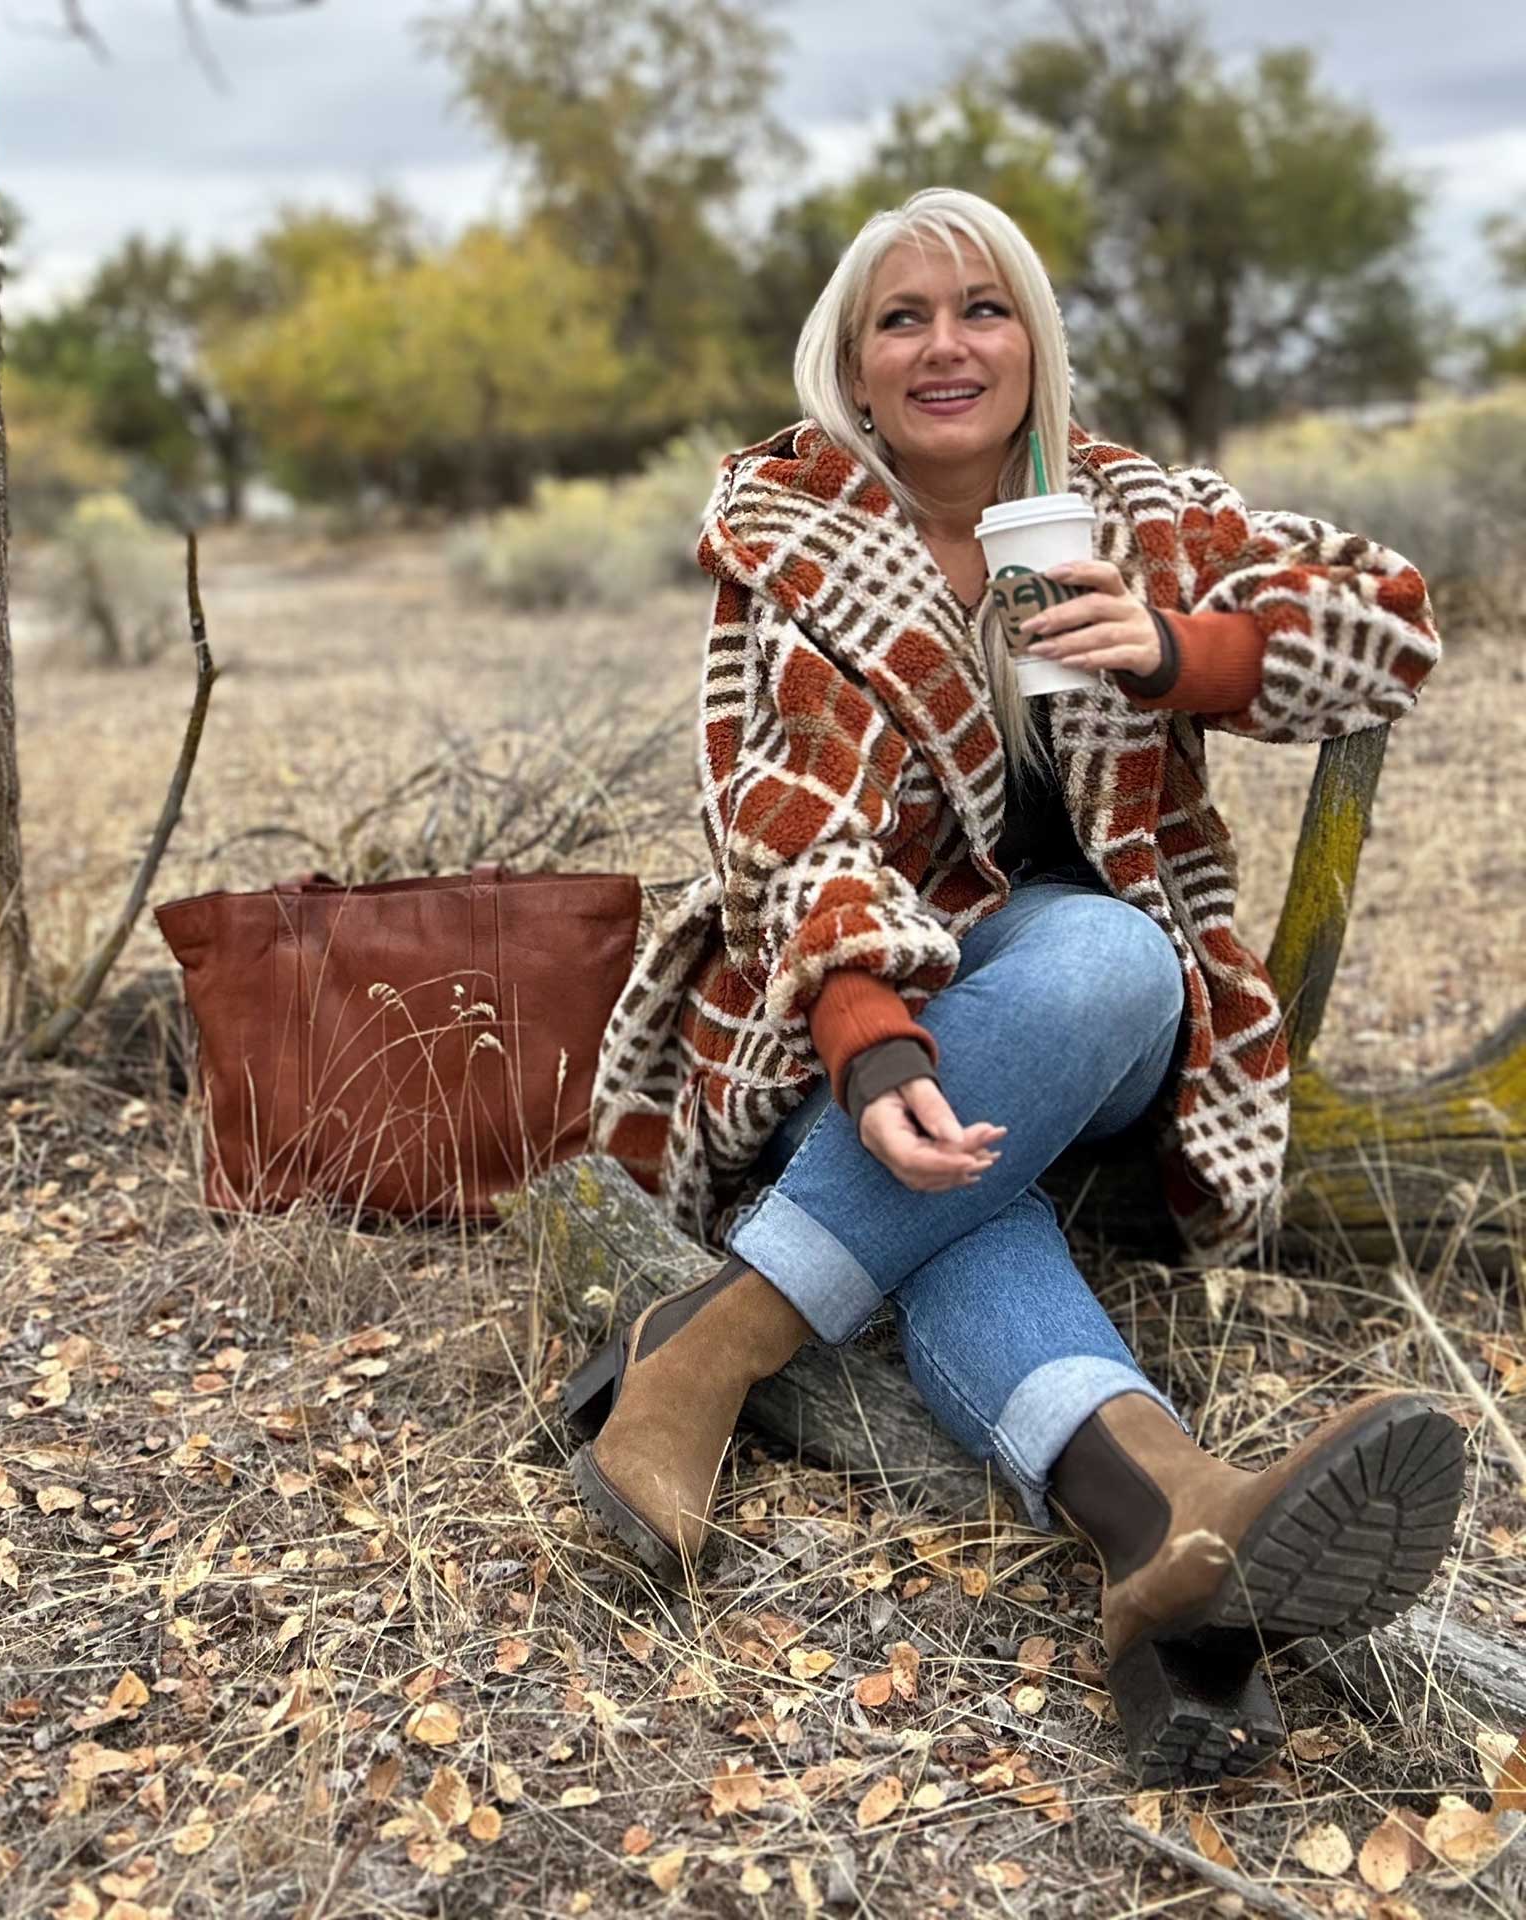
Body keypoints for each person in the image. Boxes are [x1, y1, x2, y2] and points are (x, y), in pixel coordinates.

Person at [572, 187, 1464, 1784]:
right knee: (975, 1205)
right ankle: (1163, 1521)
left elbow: (1394, 630)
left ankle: (709, 1337)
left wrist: (1186, 650)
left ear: (1032, 338)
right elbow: (784, 821)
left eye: (981, 309)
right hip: (846, 1019)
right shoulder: (795, 546)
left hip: (1094, 1019)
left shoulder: (1126, 510)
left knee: (1112, 951)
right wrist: (861, 1027)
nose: (946, 345)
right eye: (901, 317)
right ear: (850, 360)